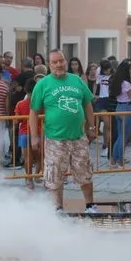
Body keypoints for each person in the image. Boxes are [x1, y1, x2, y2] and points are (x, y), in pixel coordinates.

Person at [28, 50, 98, 213]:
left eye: (61, 61)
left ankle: (90, 206)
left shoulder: (77, 80)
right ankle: (57, 208)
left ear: (65, 61)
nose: (59, 64)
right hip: (55, 139)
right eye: (55, 62)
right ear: (49, 65)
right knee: (55, 175)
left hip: (78, 137)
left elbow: (87, 104)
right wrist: (34, 137)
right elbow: (33, 112)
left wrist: (92, 127)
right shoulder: (42, 85)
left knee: (84, 172)